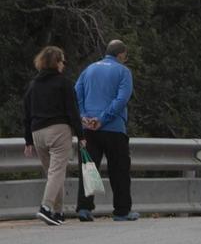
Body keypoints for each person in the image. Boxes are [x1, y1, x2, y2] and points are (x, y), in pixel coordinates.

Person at [23, 46, 86, 226]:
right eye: (62, 61)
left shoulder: (32, 85)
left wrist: (28, 139)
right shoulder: (63, 83)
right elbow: (72, 110)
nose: (64, 65)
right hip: (58, 130)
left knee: (52, 173)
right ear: (57, 62)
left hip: (37, 133)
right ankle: (46, 207)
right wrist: (80, 135)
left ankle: (57, 213)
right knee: (57, 171)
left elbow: (26, 113)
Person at [75, 39, 138, 221]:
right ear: (121, 55)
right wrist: (102, 119)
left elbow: (77, 93)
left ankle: (84, 208)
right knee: (119, 170)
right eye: (125, 56)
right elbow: (121, 99)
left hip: (89, 129)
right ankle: (121, 211)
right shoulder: (123, 71)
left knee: (88, 168)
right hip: (114, 128)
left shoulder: (89, 69)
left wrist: (84, 116)